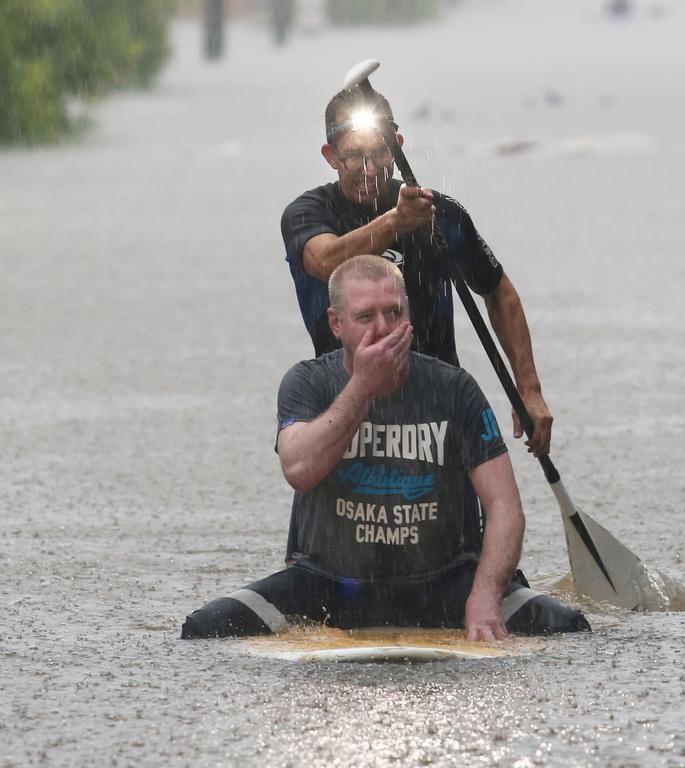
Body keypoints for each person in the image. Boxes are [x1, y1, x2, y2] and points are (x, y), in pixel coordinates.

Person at [181, 256, 589, 640]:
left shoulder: (455, 389)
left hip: (442, 584)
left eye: (394, 313)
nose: (383, 327)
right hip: (328, 586)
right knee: (204, 628)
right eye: (365, 317)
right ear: (336, 324)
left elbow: (505, 507)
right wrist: (363, 385)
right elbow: (299, 468)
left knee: (568, 626)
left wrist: (484, 595)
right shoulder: (307, 384)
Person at [280, 84, 553, 457]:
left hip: (437, 408)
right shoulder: (308, 214)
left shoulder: (440, 214)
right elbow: (326, 262)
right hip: (345, 406)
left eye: (379, 153)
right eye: (354, 157)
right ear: (330, 156)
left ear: (398, 144)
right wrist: (397, 222)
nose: (370, 168)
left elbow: (498, 292)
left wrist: (530, 390)